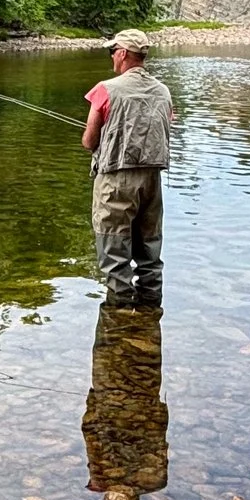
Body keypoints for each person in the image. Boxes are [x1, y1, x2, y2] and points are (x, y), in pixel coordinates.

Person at [81, 28, 172, 306]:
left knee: (114, 256)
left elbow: (89, 141)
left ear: (122, 54)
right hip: (152, 181)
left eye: (113, 51)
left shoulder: (105, 90)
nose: (112, 57)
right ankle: (150, 314)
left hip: (116, 182)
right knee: (150, 255)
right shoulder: (163, 91)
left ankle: (120, 318)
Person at [82, 303, 168, 500]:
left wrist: (92, 406)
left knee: (135, 313)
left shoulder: (154, 482)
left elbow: (160, 432)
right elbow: (91, 434)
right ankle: (131, 298)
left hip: (134, 388)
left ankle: (127, 298)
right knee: (134, 311)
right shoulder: (106, 480)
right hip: (132, 388)